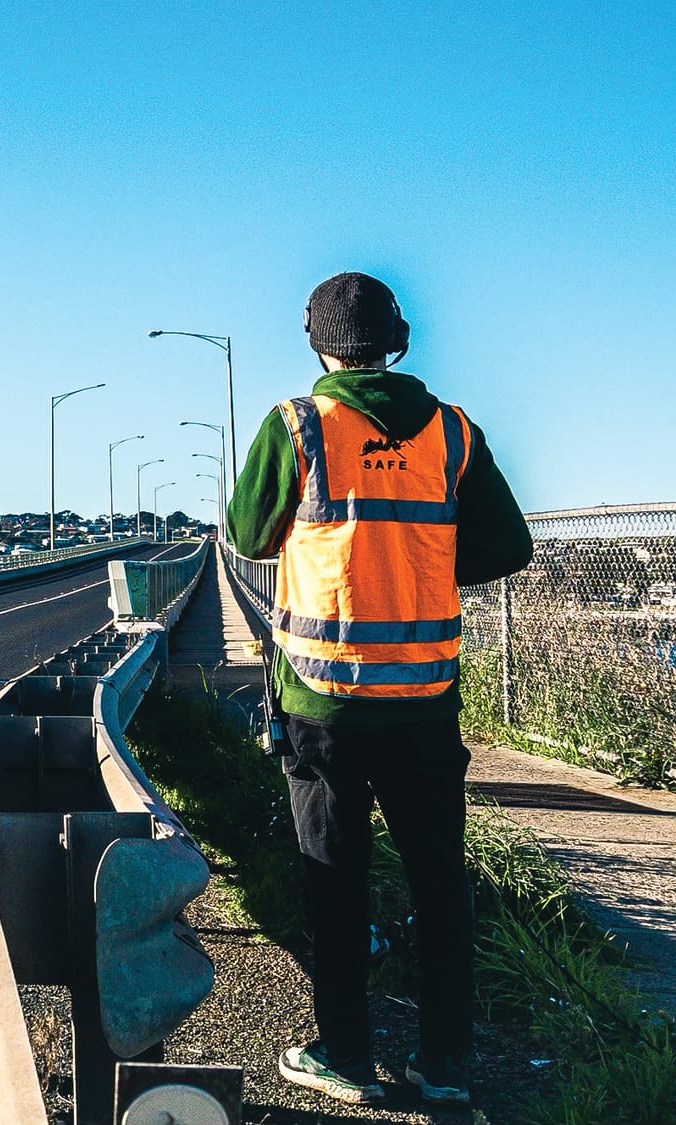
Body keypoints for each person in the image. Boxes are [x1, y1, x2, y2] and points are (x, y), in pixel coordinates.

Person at [229, 273, 531, 1107]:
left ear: (317, 341)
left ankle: (350, 1058)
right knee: (440, 880)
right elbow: (509, 546)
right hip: (427, 703)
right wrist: (421, 563)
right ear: (397, 340)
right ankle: (444, 1066)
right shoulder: (454, 433)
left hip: (323, 703)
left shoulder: (295, 427)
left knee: (334, 877)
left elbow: (247, 534)